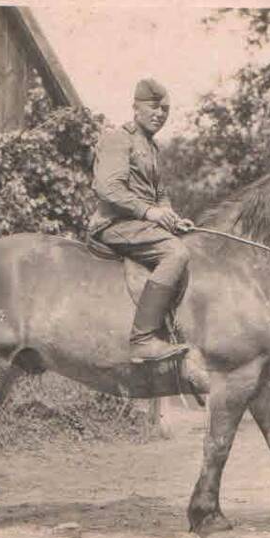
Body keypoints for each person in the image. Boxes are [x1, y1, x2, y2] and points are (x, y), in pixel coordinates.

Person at [90, 78, 194, 363]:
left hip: (138, 224)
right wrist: (149, 212)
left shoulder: (151, 146)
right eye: (154, 107)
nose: (160, 114)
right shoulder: (118, 139)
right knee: (175, 253)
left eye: (165, 110)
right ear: (136, 107)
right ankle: (143, 339)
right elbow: (107, 188)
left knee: (187, 243)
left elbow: (159, 194)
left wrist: (171, 218)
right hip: (113, 224)